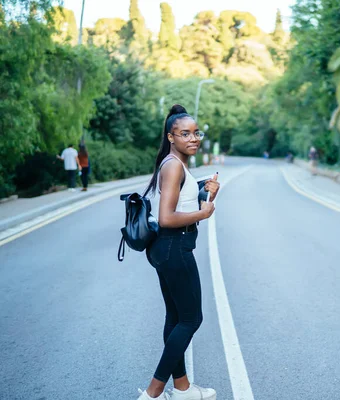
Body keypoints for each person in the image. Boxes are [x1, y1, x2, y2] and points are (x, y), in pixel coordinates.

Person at [138, 104, 220, 400]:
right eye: (184, 134)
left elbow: (179, 200)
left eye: (196, 133)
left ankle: (183, 388)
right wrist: (204, 213)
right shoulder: (173, 165)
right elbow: (167, 217)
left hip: (167, 248)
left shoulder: (174, 164)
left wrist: (203, 191)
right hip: (174, 247)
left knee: (175, 319)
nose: (193, 138)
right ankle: (153, 393)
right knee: (191, 319)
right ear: (171, 137)